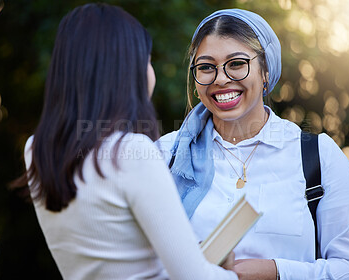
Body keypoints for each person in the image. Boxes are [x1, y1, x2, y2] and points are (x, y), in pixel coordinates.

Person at [16, 4, 238, 280]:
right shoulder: (133, 153)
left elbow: (115, 247)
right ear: (126, 70)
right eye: (146, 60)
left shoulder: (36, 150)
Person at [158, 9, 349, 280]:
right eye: (206, 67)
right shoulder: (165, 155)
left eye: (236, 63)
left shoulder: (318, 155)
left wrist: (276, 271)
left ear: (266, 72)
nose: (221, 78)